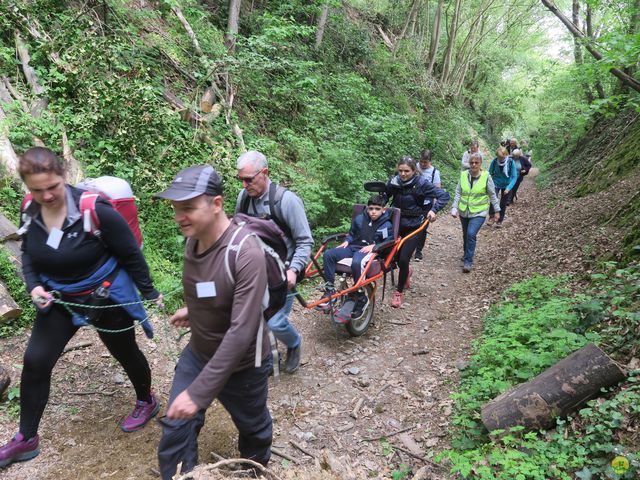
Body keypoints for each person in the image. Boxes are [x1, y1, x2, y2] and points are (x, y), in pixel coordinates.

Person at [0, 147, 162, 469]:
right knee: (35, 360)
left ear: (64, 176)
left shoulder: (95, 209)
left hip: (104, 295)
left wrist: (149, 292)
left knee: (125, 351)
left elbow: (131, 253)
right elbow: (29, 254)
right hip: (60, 299)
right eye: (37, 189)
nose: (46, 196)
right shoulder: (30, 209)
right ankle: (26, 438)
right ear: (27, 188)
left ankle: (147, 399)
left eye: (53, 187)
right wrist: (34, 285)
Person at [155, 165, 273, 479]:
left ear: (217, 204)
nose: (179, 216)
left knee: (254, 428)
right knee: (175, 431)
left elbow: (241, 331)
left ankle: (254, 470)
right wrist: (193, 312)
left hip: (244, 364)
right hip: (199, 353)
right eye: (176, 209)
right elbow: (208, 288)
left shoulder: (245, 252)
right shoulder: (193, 239)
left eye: (188, 208)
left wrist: (198, 393)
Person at [235, 151, 313, 374]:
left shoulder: (286, 201)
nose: (244, 184)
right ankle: (268, 358)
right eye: (241, 178)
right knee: (257, 319)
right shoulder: (243, 198)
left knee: (276, 322)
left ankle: (294, 343)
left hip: (283, 272)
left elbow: (305, 240)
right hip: (255, 272)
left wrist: (294, 270)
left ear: (265, 173)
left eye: (249, 179)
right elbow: (238, 231)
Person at [385, 156, 449, 308]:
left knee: (403, 259)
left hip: (414, 226)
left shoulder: (421, 183)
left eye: (406, 171)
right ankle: (406, 271)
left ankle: (398, 293)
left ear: (414, 171)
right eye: (400, 170)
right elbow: (385, 197)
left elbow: (443, 195)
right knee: (390, 256)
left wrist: (434, 210)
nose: (403, 174)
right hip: (395, 223)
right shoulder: (394, 182)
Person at [319, 195, 394, 319]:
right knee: (328, 255)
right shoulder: (360, 219)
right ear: (367, 209)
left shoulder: (386, 225)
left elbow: (389, 241)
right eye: (371, 209)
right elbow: (352, 234)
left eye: (377, 209)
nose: (373, 212)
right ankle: (330, 289)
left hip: (372, 250)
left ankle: (360, 296)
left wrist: (375, 245)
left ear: (383, 210)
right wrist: (347, 241)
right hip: (354, 246)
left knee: (356, 262)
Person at [450, 152, 501, 272]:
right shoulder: (463, 175)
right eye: (471, 162)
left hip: (479, 212)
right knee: (465, 235)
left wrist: (497, 210)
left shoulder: (486, 176)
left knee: (471, 234)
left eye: (476, 162)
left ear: (480, 164)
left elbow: (492, 195)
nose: (473, 165)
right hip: (464, 211)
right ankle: (466, 254)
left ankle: (468, 261)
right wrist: (454, 207)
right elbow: (458, 192)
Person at [414, 149, 441, 261]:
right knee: (412, 225)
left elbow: (437, 190)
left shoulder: (435, 172)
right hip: (413, 201)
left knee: (423, 228)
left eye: (425, 162)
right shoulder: (414, 167)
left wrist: (435, 209)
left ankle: (418, 251)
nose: (423, 164)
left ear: (430, 161)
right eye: (421, 161)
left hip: (427, 203)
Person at [488, 146, 518, 228]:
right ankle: (491, 217)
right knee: (493, 199)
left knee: (503, 203)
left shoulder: (511, 162)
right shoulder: (494, 162)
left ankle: (500, 220)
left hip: (507, 185)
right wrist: (489, 183)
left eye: (502, 157)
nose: (500, 159)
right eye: (498, 157)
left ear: (506, 155)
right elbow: (489, 173)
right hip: (496, 183)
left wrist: (508, 188)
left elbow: (514, 176)